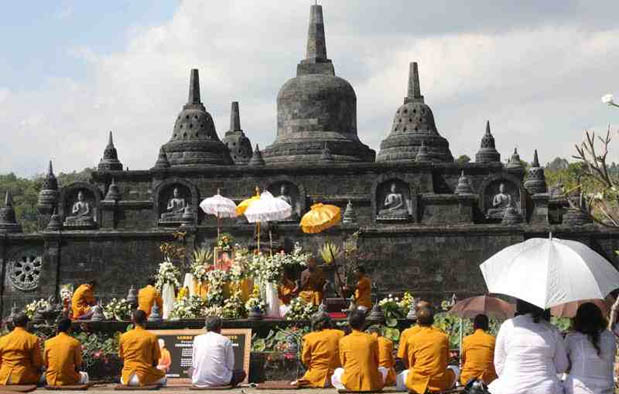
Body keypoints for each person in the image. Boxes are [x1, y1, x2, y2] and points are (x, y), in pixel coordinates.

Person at [489, 300, 568, 394]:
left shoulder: (507, 326)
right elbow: (561, 366)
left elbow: (499, 364)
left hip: (512, 388)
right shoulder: (552, 330)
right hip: (545, 389)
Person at [397, 306, 457, 394]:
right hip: (439, 382)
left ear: (417, 321)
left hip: (417, 381)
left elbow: (409, 362)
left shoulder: (412, 339)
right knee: (455, 369)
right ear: (433, 321)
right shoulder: (443, 337)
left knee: (401, 376)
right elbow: (446, 360)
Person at [564, 302, 615, 394]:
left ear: (578, 319)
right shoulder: (610, 337)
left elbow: (563, 364)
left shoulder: (572, 337)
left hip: (578, 388)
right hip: (606, 388)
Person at [331, 310, 386, 391]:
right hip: (371, 382)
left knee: (337, 371)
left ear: (349, 324)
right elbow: (376, 361)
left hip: (350, 382)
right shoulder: (372, 339)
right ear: (364, 323)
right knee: (383, 369)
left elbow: (343, 362)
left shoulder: (343, 340)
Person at [192, 316, 246, 387]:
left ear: (206, 327)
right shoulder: (225, 340)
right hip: (222, 380)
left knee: (190, 370)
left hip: (199, 380)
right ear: (220, 327)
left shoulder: (197, 339)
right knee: (241, 373)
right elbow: (230, 365)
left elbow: (194, 364)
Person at [294, 312, 344, 387]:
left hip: (315, 377)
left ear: (314, 323)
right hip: (336, 376)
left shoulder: (309, 337)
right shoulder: (340, 334)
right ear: (329, 322)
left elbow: (305, 359)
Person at [119, 310, 167, 387]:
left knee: (123, 376)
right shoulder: (151, 337)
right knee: (163, 378)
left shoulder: (124, 337)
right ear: (145, 321)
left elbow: (122, 358)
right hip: (145, 377)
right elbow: (155, 362)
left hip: (127, 378)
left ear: (133, 321)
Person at [0, 312, 42, 385]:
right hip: (24, 378)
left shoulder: (3, 340)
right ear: (27, 324)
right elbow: (38, 363)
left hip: (5, 377)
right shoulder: (32, 339)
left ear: (13, 324)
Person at [44, 318, 89, 386]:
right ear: (69, 329)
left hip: (51, 379)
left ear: (57, 329)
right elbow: (78, 365)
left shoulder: (48, 342)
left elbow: (45, 363)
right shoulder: (75, 343)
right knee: (85, 375)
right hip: (69, 379)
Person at [460, 314, 497, 385]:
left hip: (468, 379)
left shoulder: (466, 340)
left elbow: (463, 360)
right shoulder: (493, 340)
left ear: (474, 325)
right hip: (488, 379)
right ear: (487, 326)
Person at [397, 299, 432, 368]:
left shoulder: (407, 333)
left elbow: (402, 356)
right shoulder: (441, 334)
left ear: (417, 316)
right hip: (437, 375)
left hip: (414, 374)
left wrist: (410, 368)